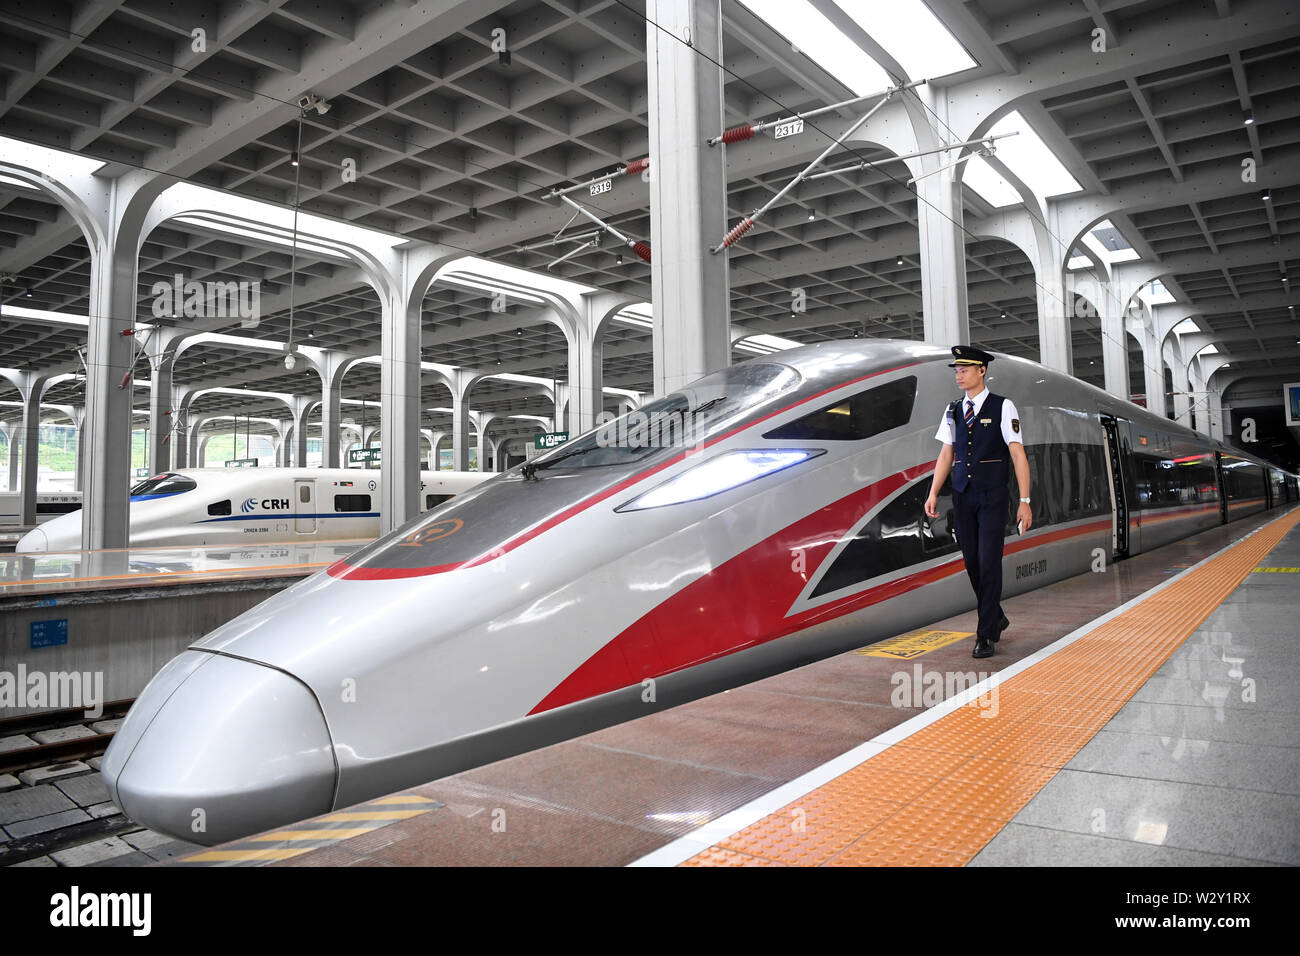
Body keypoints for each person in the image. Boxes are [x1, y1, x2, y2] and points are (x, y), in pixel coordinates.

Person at [924, 345, 1032, 659]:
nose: (958, 374)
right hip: (962, 495)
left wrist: (1024, 500)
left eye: (965, 369)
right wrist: (933, 493)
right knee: (972, 562)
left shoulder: (1003, 407)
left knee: (988, 562)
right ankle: (995, 614)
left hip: (993, 496)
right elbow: (947, 454)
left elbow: (1017, 454)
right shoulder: (952, 409)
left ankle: (986, 633)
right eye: (956, 370)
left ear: (982, 370)